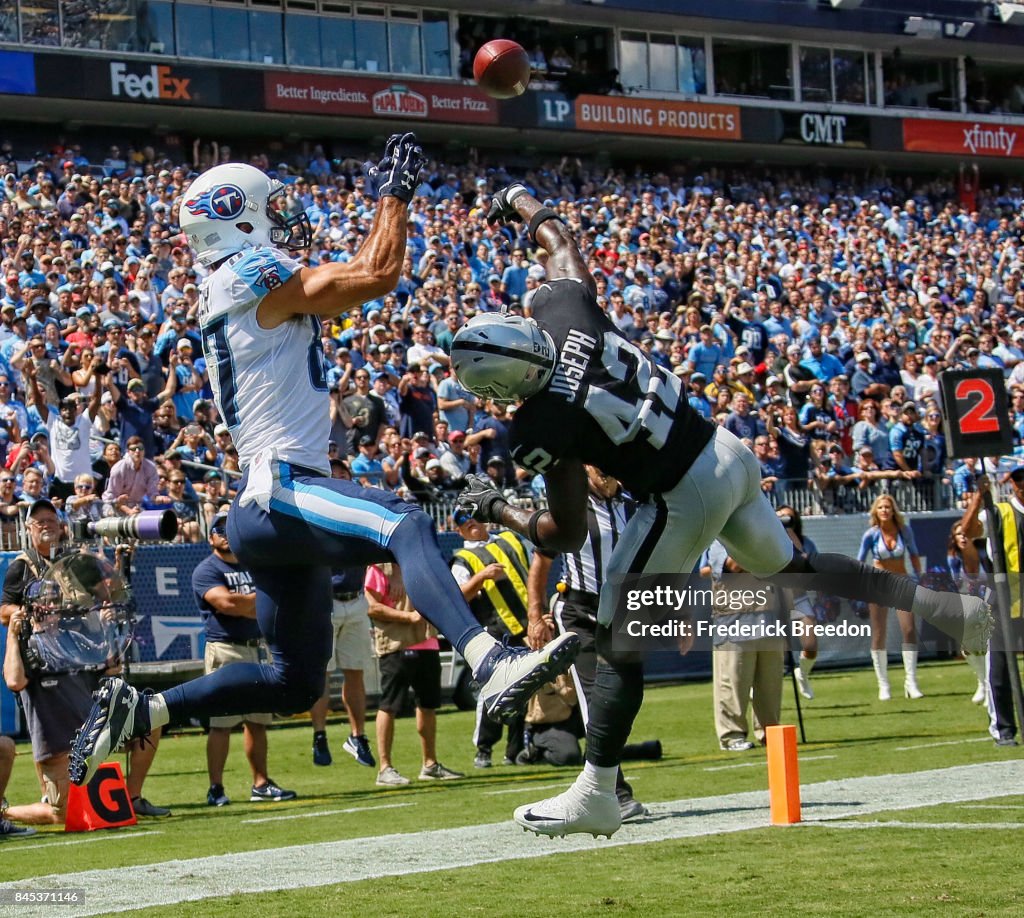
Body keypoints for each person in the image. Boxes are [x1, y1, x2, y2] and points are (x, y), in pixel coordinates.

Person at [448, 183, 991, 838]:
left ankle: (599, 790)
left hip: (681, 492)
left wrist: (501, 508)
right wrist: (519, 200)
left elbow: (561, 533)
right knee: (797, 568)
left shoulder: (540, 423)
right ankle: (944, 608)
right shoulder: (567, 313)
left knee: (616, 635)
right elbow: (559, 237)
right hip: (725, 450)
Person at [69, 139, 579, 789]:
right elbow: (376, 275)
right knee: (407, 526)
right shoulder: (242, 273)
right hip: (280, 487)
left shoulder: (242, 281)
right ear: (237, 217)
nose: (286, 218)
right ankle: (490, 662)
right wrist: (394, 195)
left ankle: (146, 707)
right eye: (271, 207)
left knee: (293, 683)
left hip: (271, 510)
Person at [2, 500, 169, 823]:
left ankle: (131, 796)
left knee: (150, 719)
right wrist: (30, 613)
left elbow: (109, 594)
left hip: (84, 656)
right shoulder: (21, 566)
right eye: (40, 522)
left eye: (52, 519)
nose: (47, 525)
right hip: (43, 663)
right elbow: (4, 611)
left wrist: (114, 570)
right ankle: (28, 802)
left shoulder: (75, 560)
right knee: (61, 799)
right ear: (28, 528)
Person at [527, 464, 648, 820]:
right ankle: (615, 792)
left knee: (624, 699)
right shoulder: (570, 505)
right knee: (596, 700)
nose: (606, 475)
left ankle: (603, 782)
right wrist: (535, 615)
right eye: (598, 467)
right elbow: (541, 562)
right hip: (579, 611)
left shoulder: (631, 501)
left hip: (621, 612)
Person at [194, 512, 296, 806]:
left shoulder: (254, 564)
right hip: (226, 649)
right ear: (210, 537)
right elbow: (226, 604)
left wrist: (252, 603)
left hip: (257, 647)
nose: (225, 534)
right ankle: (216, 787)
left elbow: (269, 602)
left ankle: (261, 783)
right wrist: (262, 600)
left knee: (257, 721)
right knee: (221, 722)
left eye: (230, 528)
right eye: (219, 529)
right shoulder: (206, 570)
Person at [365, 562, 463, 785]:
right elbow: (373, 607)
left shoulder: (421, 565)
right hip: (396, 645)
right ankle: (385, 768)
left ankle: (430, 764)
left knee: (428, 705)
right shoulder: (379, 568)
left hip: (427, 643)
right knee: (389, 705)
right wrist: (407, 617)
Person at [449, 508, 532, 769]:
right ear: (457, 529)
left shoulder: (512, 540)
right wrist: (482, 577)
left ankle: (516, 749)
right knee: (493, 691)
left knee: (523, 689)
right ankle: (484, 748)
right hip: (493, 630)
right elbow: (458, 597)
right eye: (462, 519)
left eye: (472, 514)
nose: (470, 520)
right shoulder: (463, 559)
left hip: (526, 627)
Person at [701, 541, 786, 752]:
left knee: (770, 684)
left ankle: (770, 732)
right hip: (734, 621)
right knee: (733, 683)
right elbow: (733, 566)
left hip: (768, 618)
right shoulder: (721, 539)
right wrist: (761, 552)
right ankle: (731, 735)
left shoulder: (764, 535)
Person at [961, 470, 1024, 746]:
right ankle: (1004, 728)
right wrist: (978, 498)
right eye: (1018, 480)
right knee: (998, 665)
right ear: (1012, 484)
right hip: (1005, 597)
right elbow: (970, 530)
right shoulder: (999, 512)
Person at [857, 495, 924, 701]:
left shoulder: (905, 531)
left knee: (909, 629)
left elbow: (914, 555)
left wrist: (919, 578)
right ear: (875, 512)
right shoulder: (871, 534)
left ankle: (911, 681)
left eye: (888, 507)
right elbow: (860, 561)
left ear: (894, 510)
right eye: (881, 507)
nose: (885, 510)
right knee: (879, 632)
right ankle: (883, 684)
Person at [308, 563, 376, 769]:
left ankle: (357, 736)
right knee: (323, 673)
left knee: (356, 672)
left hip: (356, 598)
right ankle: (319, 736)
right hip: (324, 601)